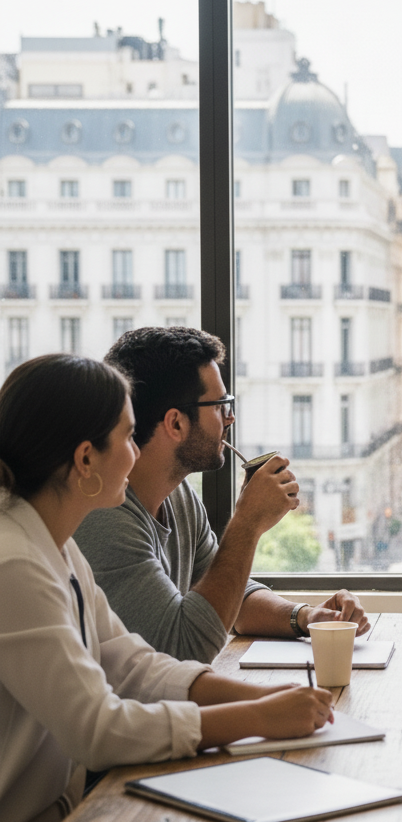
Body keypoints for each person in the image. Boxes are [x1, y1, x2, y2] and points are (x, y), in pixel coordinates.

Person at [0, 354, 334, 822]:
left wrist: (261, 696)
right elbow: (97, 729)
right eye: (126, 437)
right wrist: (256, 720)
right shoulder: (14, 564)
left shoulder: (56, 548)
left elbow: (131, 664)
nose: (136, 452)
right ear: (85, 459)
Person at [75, 327, 368, 665]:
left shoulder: (178, 493)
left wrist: (306, 617)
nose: (230, 418)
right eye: (221, 406)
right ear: (175, 423)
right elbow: (184, 647)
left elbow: (230, 599)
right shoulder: (105, 517)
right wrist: (246, 523)